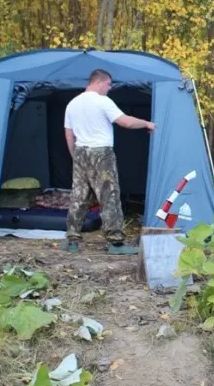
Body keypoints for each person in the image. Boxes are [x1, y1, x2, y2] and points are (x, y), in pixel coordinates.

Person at [63, 69, 155, 254]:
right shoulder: (102, 101)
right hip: (101, 153)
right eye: (108, 84)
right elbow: (126, 122)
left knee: (78, 197)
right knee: (109, 196)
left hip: (81, 152)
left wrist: (75, 157)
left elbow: (69, 133)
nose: (109, 88)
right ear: (99, 82)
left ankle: (72, 241)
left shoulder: (72, 104)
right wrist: (146, 123)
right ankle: (116, 243)